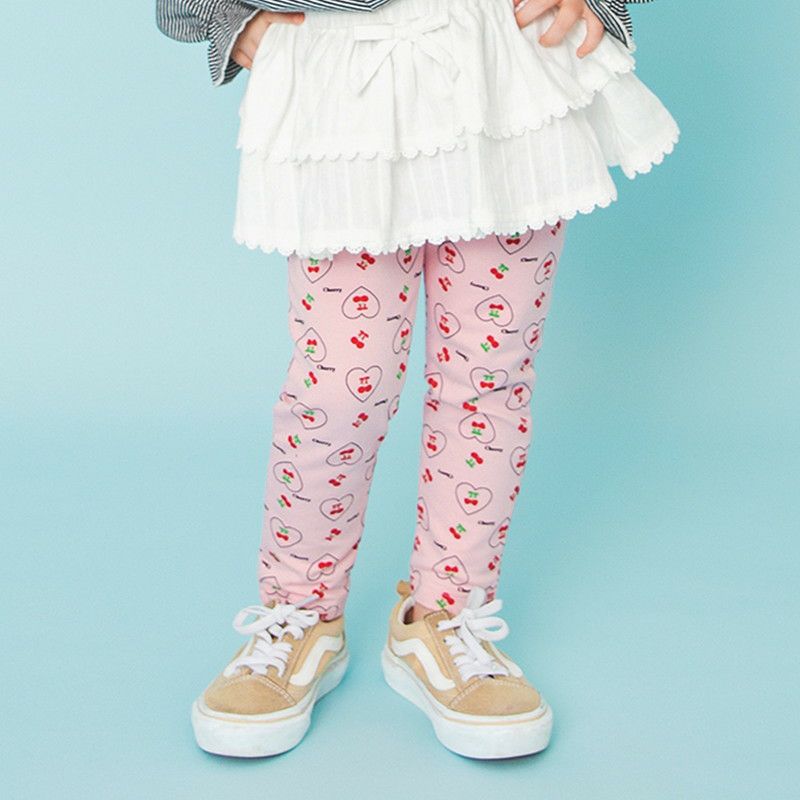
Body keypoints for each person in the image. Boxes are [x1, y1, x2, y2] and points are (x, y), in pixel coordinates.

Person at [156, 0, 678, 760]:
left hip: (500, 65)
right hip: (337, 82)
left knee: (488, 376)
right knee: (341, 386)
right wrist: (220, 17)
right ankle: (300, 612)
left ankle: (446, 612)